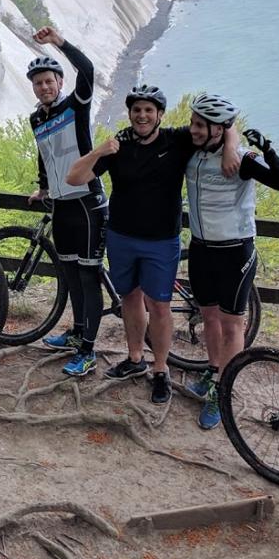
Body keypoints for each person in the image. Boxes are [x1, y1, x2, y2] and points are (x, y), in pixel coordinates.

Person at [66, 85, 238, 403]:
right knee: (130, 298)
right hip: (121, 236)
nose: (142, 115)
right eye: (136, 110)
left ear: (159, 114)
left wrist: (230, 149)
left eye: (149, 110)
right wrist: (98, 151)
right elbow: (74, 178)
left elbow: (224, 124)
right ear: (130, 114)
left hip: (161, 241)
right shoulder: (119, 145)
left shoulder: (178, 139)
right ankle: (135, 359)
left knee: (158, 306)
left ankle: (161, 369)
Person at [184, 92, 279, 429]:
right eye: (193, 122)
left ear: (219, 129)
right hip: (201, 248)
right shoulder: (191, 149)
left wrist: (267, 150)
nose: (194, 129)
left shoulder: (242, 160)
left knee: (233, 324)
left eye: (201, 125)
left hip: (235, 252)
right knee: (208, 317)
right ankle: (214, 370)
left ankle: (224, 390)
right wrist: (229, 136)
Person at [24, 28, 109, 377]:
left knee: (89, 278)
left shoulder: (75, 106)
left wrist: (59, 42)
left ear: (59, 82)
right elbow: (45, 156)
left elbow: (87, 70)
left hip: (88, 203)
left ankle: (89, 350)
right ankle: (77, 334)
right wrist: (43, 187)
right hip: (61, 205)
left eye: (49, 81)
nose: (44, 87)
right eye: (38, 83)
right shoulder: (36, 118)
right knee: (71, 275)